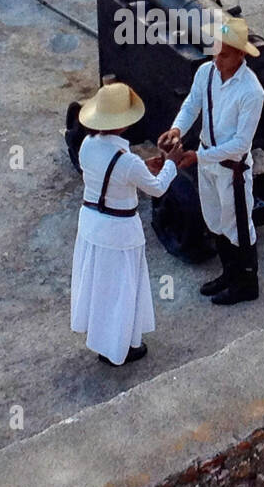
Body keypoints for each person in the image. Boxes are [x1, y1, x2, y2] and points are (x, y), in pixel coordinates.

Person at [71, 82, 196, 366]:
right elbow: (157, 189)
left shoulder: (88, 145)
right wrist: (171, 164)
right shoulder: (127, 162)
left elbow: (115, 172)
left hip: (92, 223)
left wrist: (147, 166)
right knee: (122, 289)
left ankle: (104, 341)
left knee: (100, 286)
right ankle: (120, 348)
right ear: (123, 125)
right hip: (119, 230)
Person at [158, 17, 264, 305]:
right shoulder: (206, 72)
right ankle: (228, 274)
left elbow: (241, 144)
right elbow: (192, 104)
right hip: (207, 163)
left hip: (232, 170)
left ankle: (246, 283)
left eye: (224, 54)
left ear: (241, 55)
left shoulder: (252, 92)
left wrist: (199, 156)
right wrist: (177, 128)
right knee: (215, 220)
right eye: (216, 52)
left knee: (239, 227)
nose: (217, 59)